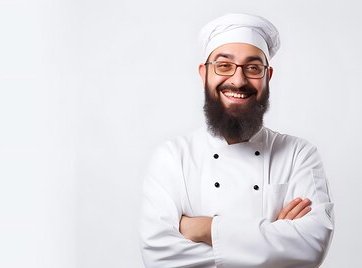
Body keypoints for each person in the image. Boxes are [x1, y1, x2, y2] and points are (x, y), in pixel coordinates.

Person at [139, 13, 334, 267]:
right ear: (203, 73)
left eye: (253, 68)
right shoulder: (172, 158)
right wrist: (275, 243)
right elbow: (158, 256)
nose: (238, 80)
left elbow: (310, 248)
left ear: (268, 76)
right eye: (224, 65)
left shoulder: (299, 154)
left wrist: (205, 229)